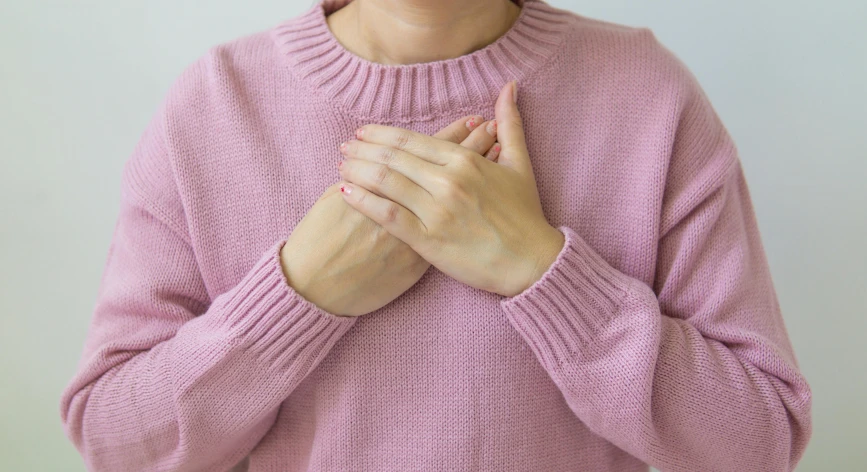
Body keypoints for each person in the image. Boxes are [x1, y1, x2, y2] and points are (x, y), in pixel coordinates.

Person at [58, 0, 813, 470]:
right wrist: (295, 298)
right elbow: (115, 444)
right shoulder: (213, 106)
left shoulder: (647, 95)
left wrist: (538, 270)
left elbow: (756, 445)